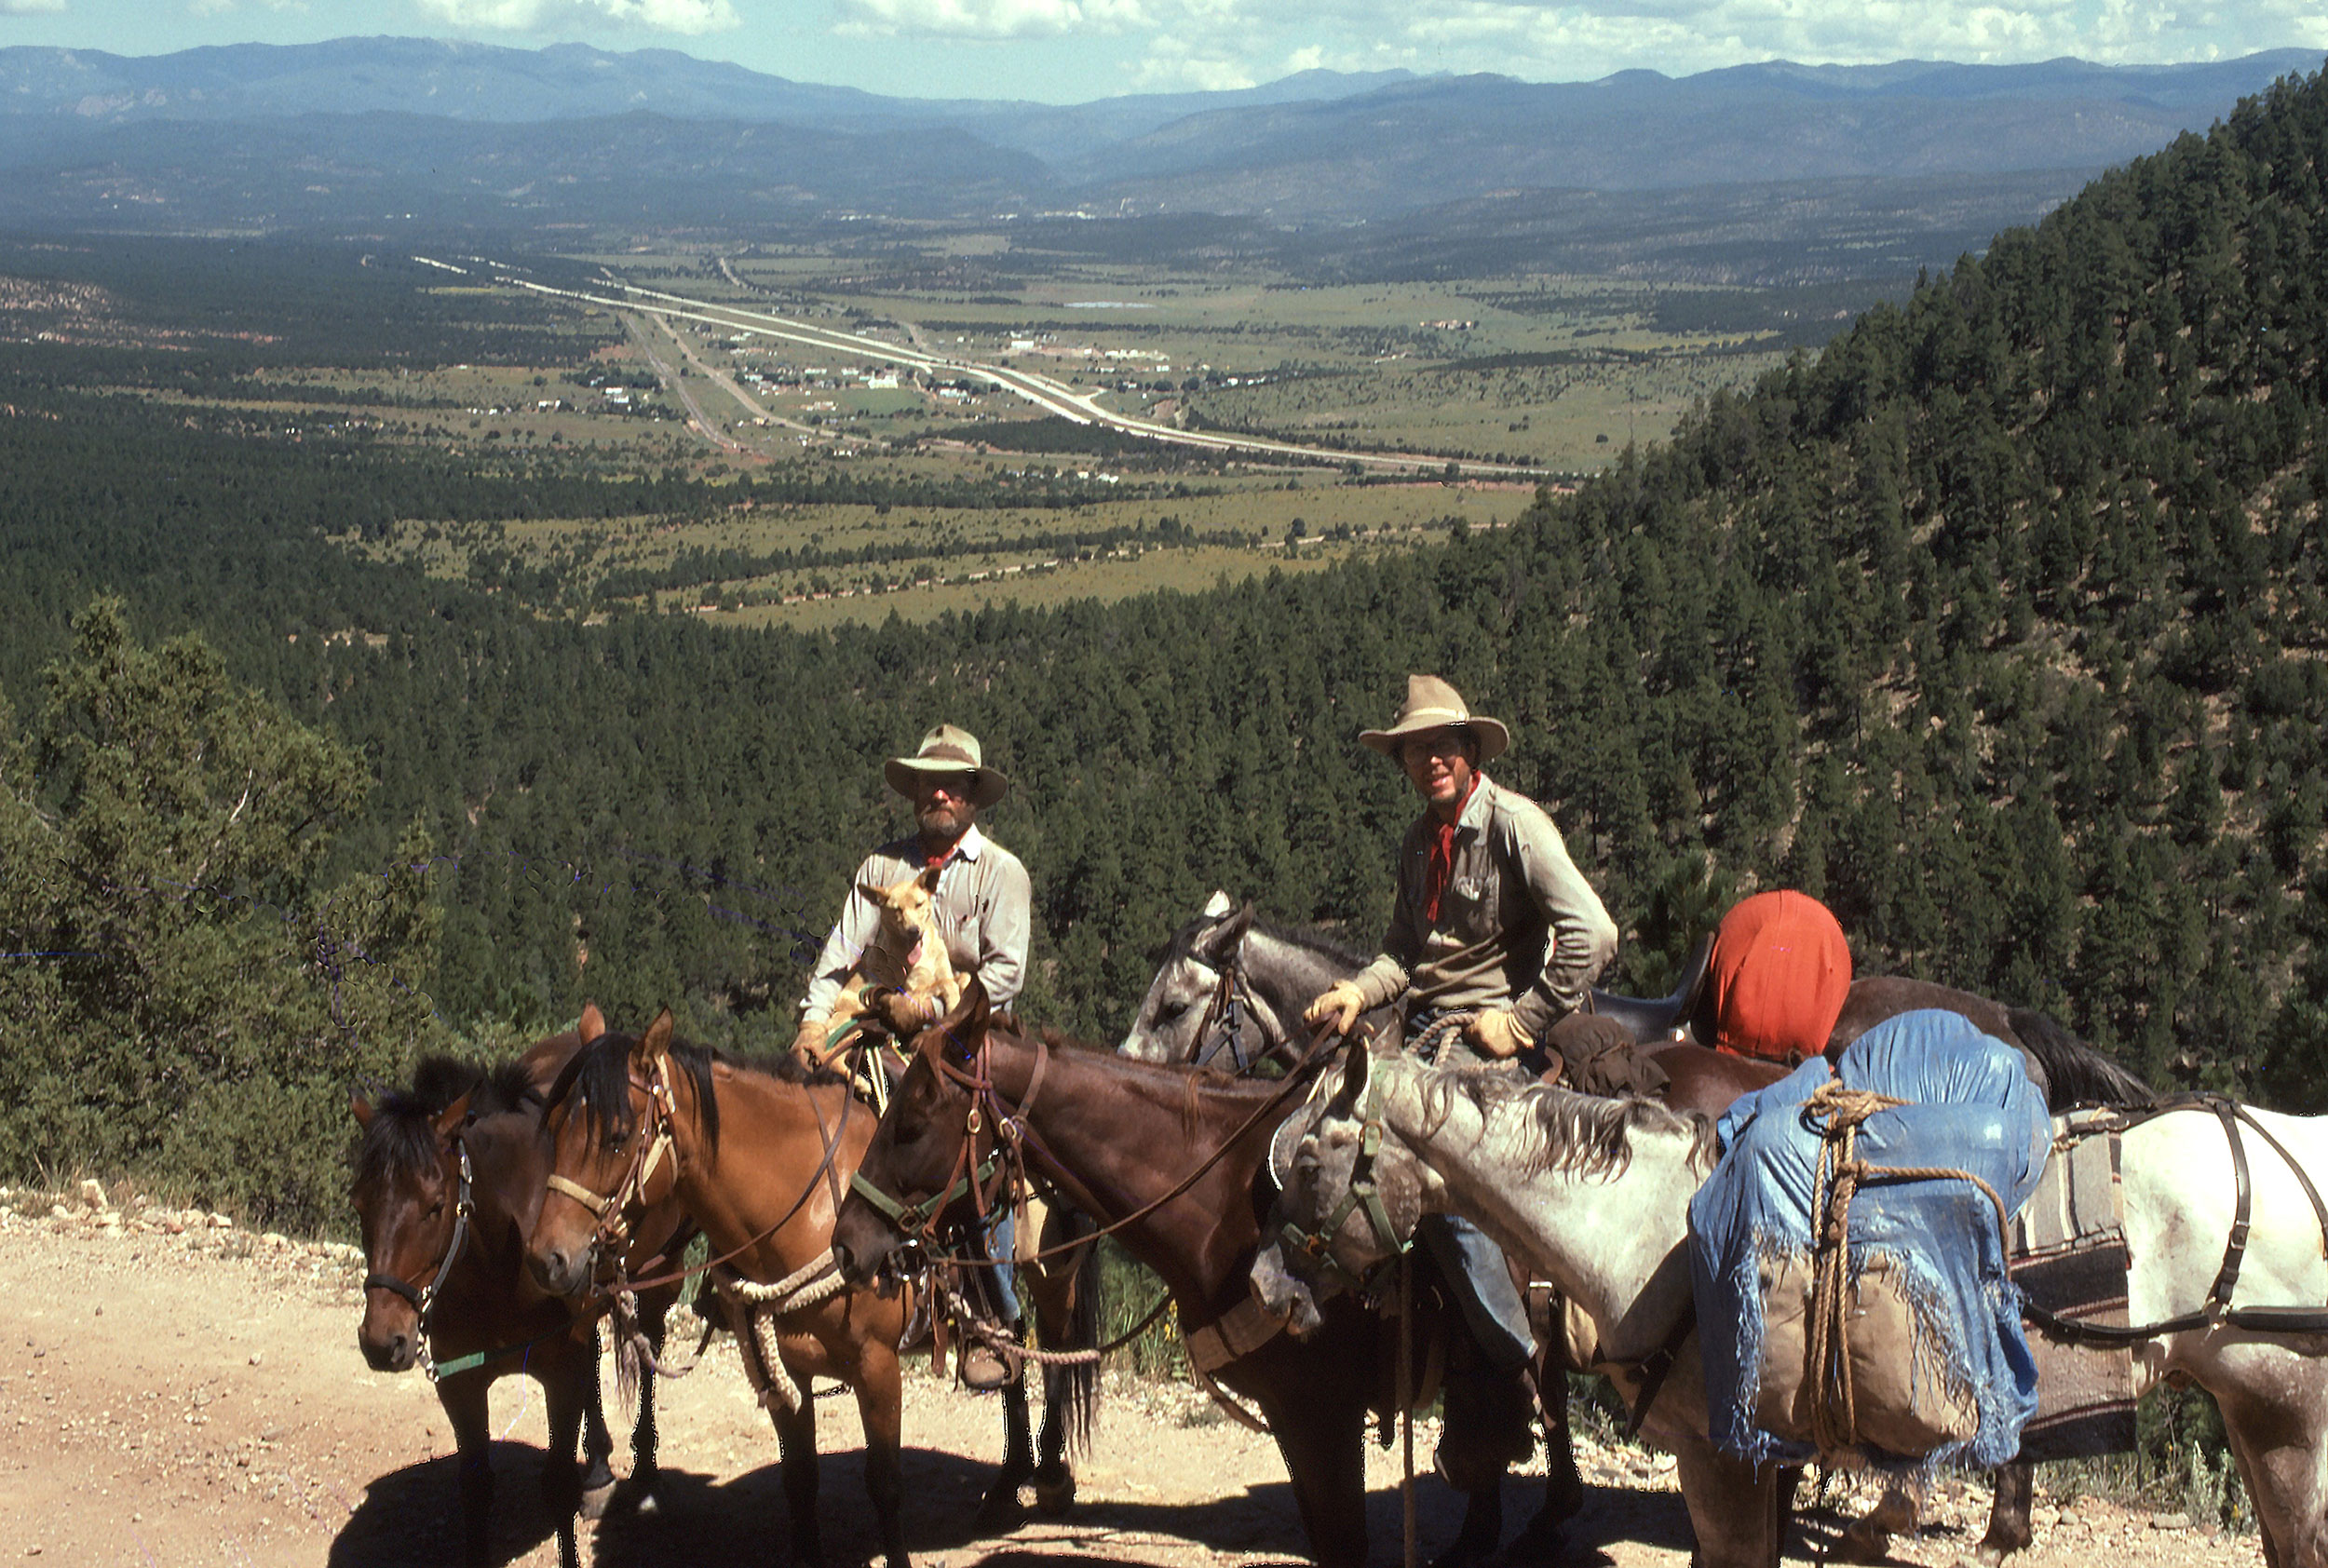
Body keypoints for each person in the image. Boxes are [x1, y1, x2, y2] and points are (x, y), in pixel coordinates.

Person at [1305, 673, 1619, 1374]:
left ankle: (1517, 1366)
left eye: (1442, 745)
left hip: (1488, 1045)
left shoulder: (1514, 825)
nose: (1430, 761)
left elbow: (1593, 934)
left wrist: (1523, 1018)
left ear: (1469, 749)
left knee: (1441, 1187)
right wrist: (1358, 992)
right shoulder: (1420, 842)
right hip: (1425, 1033)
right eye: (1415, 751)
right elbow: (1402, 953)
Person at [791, 723, 1032, 1387]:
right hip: (879, 1029)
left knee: (981, 1151)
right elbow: (839, 955)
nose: (941, 793)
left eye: (953, 784)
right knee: (802, 1106)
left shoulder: (1001, 874)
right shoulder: (880, 871)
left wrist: (928, 1012)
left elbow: (1004, 975)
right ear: (916, 792)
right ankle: (772, 1270)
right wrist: (814, 1025)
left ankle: (994, 1316)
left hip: (968, 1038)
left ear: (974, 796)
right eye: (930, 783)